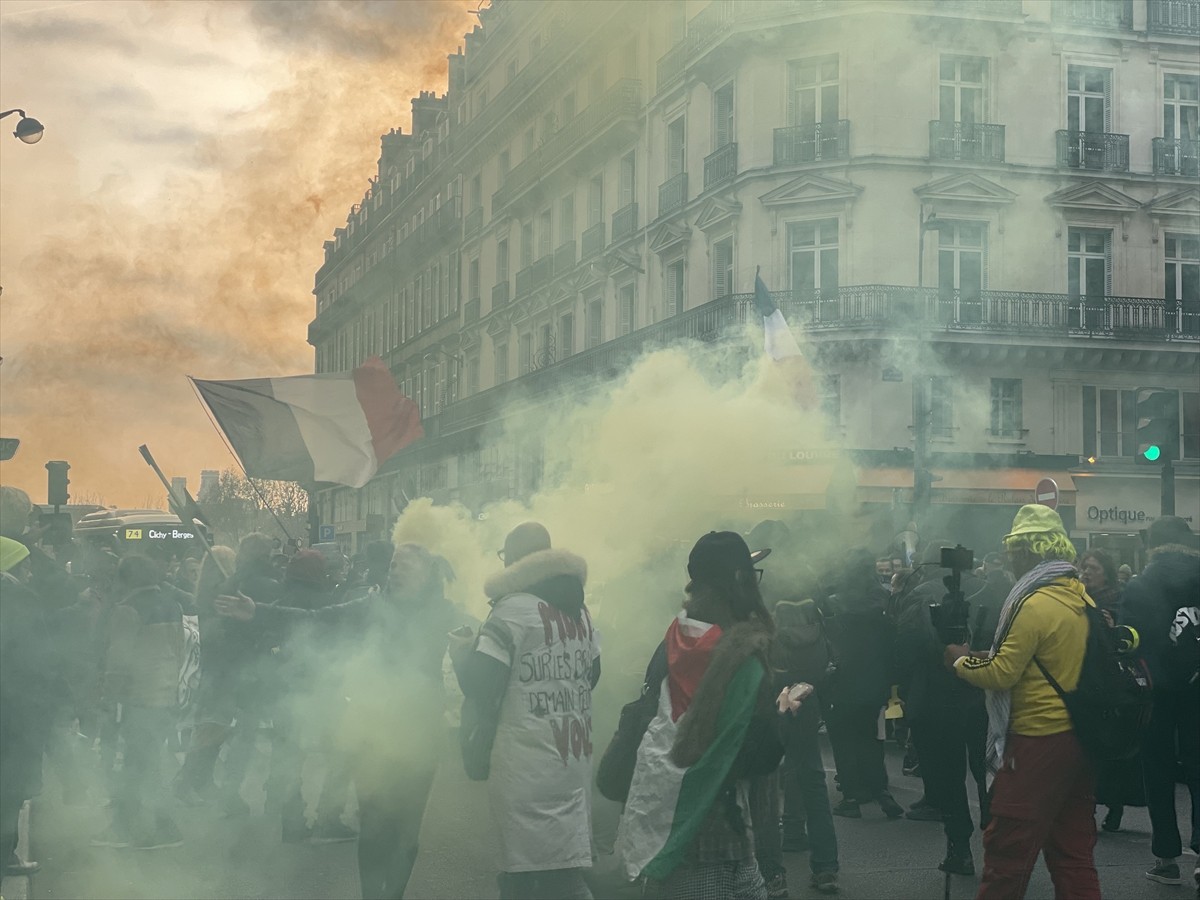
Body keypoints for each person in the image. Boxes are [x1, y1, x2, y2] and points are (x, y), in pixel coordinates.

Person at [218, 540, 455, 900]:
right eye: (393, 565)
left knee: (406, 832)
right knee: (374, 826)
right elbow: (316, 619)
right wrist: (258, 612)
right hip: (370, 730)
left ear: (427, 575)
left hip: (419, 732)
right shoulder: (371, 606)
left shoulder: (445, 614)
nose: (395, 571)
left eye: (405, 566)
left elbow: (478, 658)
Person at [618, 530, 784, 899]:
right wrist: (783, 712)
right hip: (713, 824)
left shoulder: (677, 637)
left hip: (672, 811)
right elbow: (759, 753)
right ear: (740, 579)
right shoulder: (740, 652)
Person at [945, 505, 1100, 900]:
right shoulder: (1080, 596)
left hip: (1037, 739)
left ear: (1028, 551)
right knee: (1073, 854)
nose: (1011, 559)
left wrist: (960, 661)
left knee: (1008, 851)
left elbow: (1002, 674)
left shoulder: (1033, 604)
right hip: (1079, 737)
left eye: (1014, 550)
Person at [454, 522, 599, 900]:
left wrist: (461, 655)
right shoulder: (580, 611)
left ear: (514, 560)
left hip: (525, 766)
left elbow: (482, 685)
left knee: (528, 874)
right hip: (571, 758)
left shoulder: (511, 611)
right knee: (561, 864)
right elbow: (592, 674)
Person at [892, 542, 987, 876]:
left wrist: (903, 689)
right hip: (983, 692)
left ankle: (959, 848)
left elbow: (906, 643)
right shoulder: (989, 587)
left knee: (948, 777)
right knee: (986, 770)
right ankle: (1000, 842)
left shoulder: (919, 593)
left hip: (934, 695)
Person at [1120, 517, 1200, 886]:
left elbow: (1130, 639)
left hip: (1156, 687)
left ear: (1153, 544)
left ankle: (1166, 856)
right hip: (1197, 685)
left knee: (1158, 769)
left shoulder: (1141, 583)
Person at [92, 555, 186, 850]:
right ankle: (156, 826)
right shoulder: (172, 605)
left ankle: (132, 828)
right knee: (146, 761)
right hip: (167, 694)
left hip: (138, 697)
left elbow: (119, 660)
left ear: (126, 579)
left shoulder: (127, 609)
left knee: (136, 763)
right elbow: (181, 649)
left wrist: (108, 698)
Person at [823, 548, 901, 821]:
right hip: (875, 679)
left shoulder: (834, 602)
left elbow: (829, 643)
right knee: (870, 736)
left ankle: (852, 796)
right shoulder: (883, 599)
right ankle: (881, 792)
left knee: (843, 739)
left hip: (842, 679)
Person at [0, 536, 56, 876]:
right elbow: (39, 660)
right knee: (11, 788)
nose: (30, 571)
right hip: (16, 712)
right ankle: (6, 856)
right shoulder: (19, 599)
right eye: (25, 564)